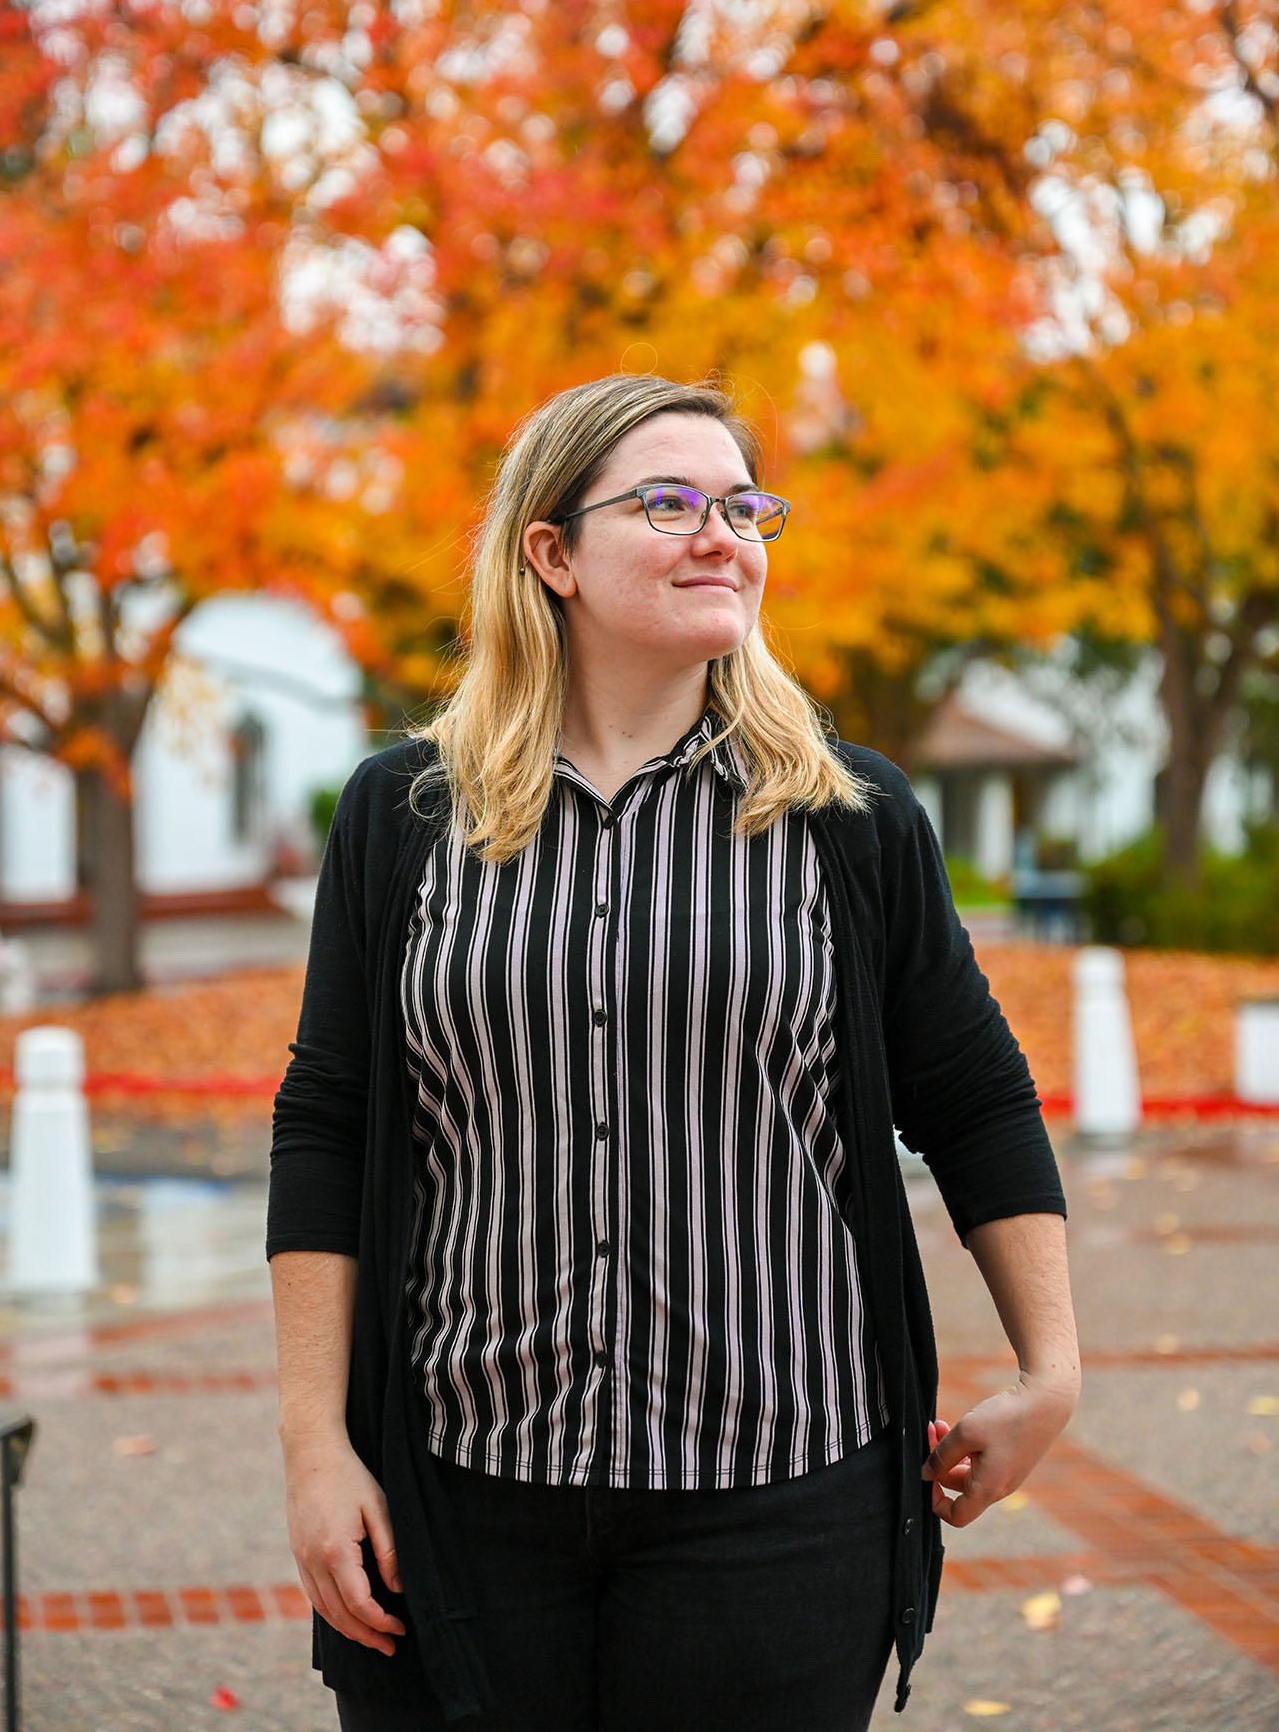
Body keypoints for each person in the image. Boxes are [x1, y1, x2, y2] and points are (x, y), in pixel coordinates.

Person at [267, 372, 1080, 1732]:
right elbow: (331, 1119)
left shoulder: (849, 818)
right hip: (465, 1498)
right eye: (669, 503)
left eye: (744, 505)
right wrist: (314, 1447)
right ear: (552, 554)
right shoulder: (404, 816)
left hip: (780, 1502)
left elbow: (974, 1094)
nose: (725, 535)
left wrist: (1051, 1368)